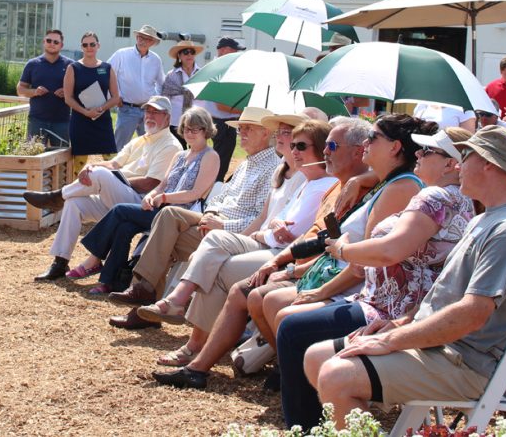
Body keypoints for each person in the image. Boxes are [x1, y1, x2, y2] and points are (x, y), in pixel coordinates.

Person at [309, 126, 506, 431]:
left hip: (464, 361)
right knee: (316, 357)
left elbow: (472, 314)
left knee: (335, 375)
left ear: (488, 163)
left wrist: (392, 340)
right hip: (441, 346)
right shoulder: (487, 219)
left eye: (467, 157)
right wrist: (401, 323)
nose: (459, 165)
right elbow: (445, 296)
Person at [149, 117, 373, 386]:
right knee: (217, 256)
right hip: (291, 256)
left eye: (302, 144)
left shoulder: (337, 185)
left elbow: (321, 243)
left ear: (360, 150)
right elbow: (308, 234)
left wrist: (287, 266)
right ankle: (199, 354)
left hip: (307, 266)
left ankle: (202, 352)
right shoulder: (329, 184)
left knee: (230, 276)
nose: (294, 149)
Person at [270, 128, 473, 423]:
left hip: (391, 309)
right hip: (393, 303)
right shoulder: (457, 199)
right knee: (293, 326)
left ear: (451, 164)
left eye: (428, 151)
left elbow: (390, 251)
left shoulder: (436, 198)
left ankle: (304, 426)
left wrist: (343, 250)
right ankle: (318, 421)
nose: (418, 153)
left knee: (292, 331)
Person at [107, 106, 279, 330]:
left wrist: (221, 224)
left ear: (265, 133)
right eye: (240, 129)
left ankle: (143, 298)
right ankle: (144, 297)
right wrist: (210, 214)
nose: (241, 134)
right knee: (167, 219)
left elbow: (260, 218)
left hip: (231, 236)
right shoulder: (247, 163)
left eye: (248, 129)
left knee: (165, 232)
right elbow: (221, 197)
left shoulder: (272, 168)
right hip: (211, 224)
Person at [27, 95, 181, 281]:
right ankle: (60, 262)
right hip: (118, 197)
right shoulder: (140, 140)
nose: (150, 115)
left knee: (100, 175)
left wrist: (111, 178)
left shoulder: (170, 146)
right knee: (74, 202)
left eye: (156, 112)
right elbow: (113, 164)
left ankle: (58, 196)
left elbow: (151, 183)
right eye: (148, 111)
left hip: (141, 204)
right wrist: (91, 167)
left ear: (168, 117)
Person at [76, 107, 219, 295]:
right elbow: (163, 184)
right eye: (186, 129)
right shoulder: (180, 155)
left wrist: (164, 197)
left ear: (206, 130)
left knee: (120, 211)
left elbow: (195, 193)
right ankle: (111, 281)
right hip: (161, 208)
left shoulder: (210, 156)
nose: (189, 134)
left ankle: (95, 258)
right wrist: (152, 195)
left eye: (195, 129)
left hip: (181, 216)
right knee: (124, 226)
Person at [64, 31, 121, 172]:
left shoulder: (107, 68)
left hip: (102, 121)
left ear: (98, 46)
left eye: (92, 44)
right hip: (80, 121)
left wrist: (101, 109)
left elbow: (116, 97)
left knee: (112, 162)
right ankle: (77, 193)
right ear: (81, 47)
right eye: (85, 45)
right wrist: (85, 112)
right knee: (79, 165)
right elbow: (68, 98)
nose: (89, 47)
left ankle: (112, 191)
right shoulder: (73, 68)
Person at [196, 36, 247, 182]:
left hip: (214, 120)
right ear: (224, 51)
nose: (238, 54)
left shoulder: (216, 67)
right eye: (235, 50)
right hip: (221, 122)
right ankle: (210, 191)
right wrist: (246, 109)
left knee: (215, 162)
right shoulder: (221, 70)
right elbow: (222, 105)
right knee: (219, 165)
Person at [109, 24, 165, 150]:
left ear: (152, 42)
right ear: (137, 37)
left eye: (147, 39)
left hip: (149, 110)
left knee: (150, 147)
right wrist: (116, 96)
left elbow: (161, 82)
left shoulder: (156, 60)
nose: (142, 41)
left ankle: (145, 170)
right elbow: (108, 74)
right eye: (140, 37)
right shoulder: (122, 54)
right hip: (127, 108)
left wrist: (157, 102)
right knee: (119, 147)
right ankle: (115, 169)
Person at [16, 29, 73, 147]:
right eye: (49, 40)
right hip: (37, 120)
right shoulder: (32, 64)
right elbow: (20, 89)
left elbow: (79, 90)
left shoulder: (70, 65)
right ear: (44, 42)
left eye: (56, 42)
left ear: (61, 45)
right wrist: (35, 92)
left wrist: (67, 92)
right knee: (34, 158)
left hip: (62, 121)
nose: (52, 44)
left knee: (61, 160)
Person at [161, 40, 204, 145]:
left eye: (192, 52)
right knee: (178, 153)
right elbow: (165, 100)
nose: (189, 55)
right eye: (185, 52)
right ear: (179, 55)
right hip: (176, 123)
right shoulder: (171, 75)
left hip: (198, 122)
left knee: (197, 153)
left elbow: (206, 98)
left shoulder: (202, 74)